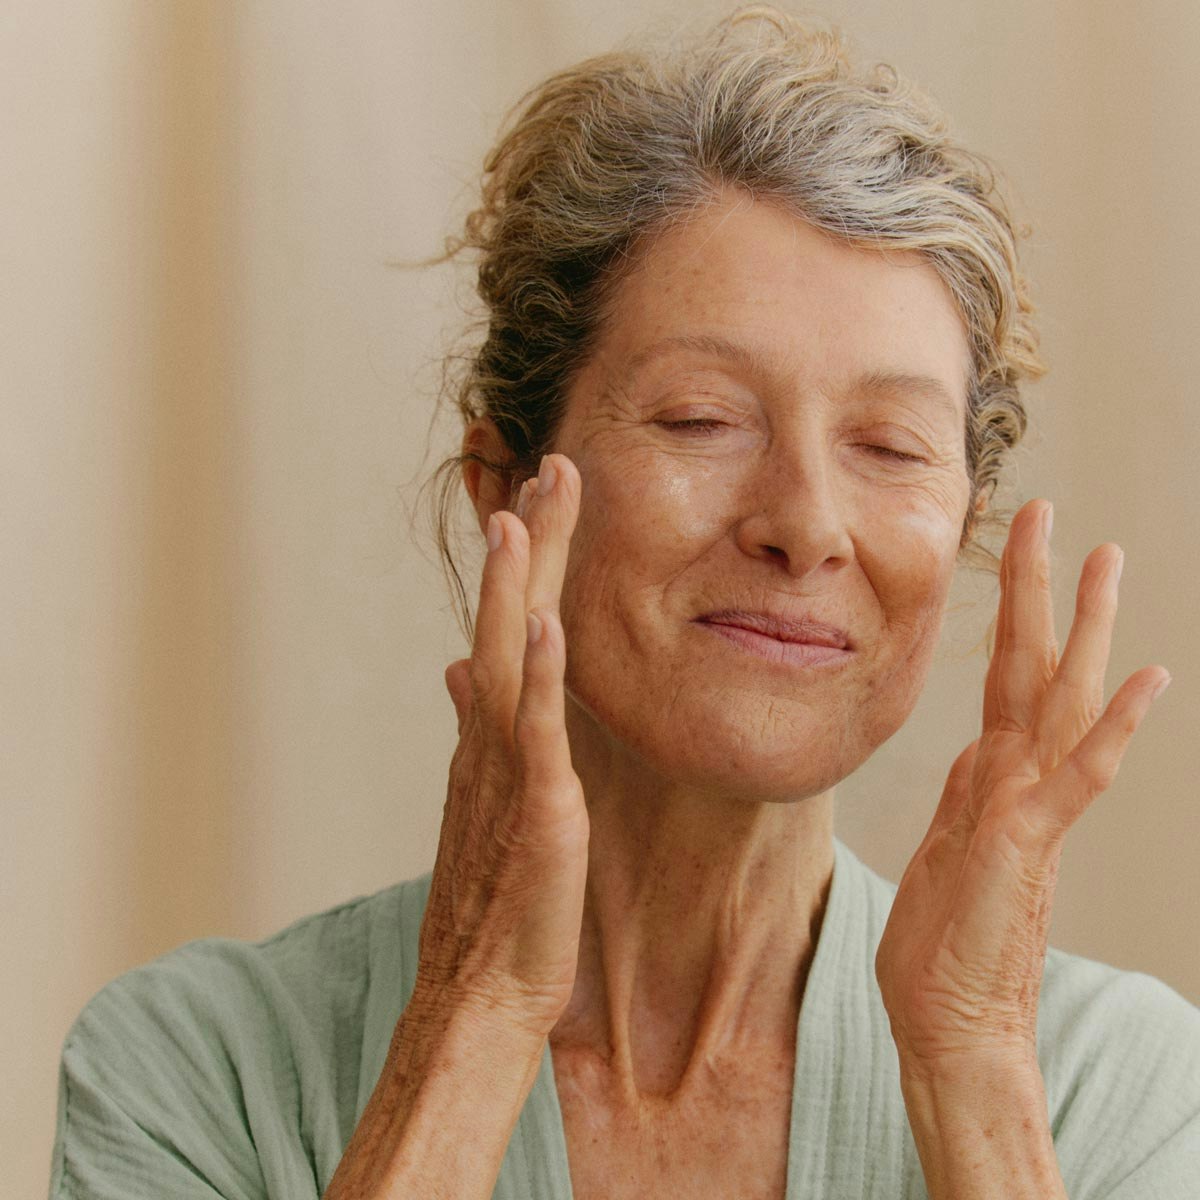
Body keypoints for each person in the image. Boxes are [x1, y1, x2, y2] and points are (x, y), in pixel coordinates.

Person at [51, 9, 1200, 1199]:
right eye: (701, 419)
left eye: (890, 446)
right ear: (504, 484)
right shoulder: (195, 1071)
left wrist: (973, 1067)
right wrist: (475, 1009)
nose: (807, 522)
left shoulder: (1116, 1090)